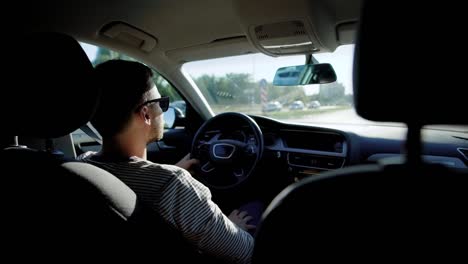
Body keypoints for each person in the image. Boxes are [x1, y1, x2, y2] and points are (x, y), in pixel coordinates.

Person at [78, 60, 255, 263]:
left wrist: (169, 172)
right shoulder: (174, 185)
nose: (162, 112)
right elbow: (244, 252)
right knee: (255, 209)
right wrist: (234, 227)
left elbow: (134, 182)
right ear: (146, 114)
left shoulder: (82, 165)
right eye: (161, 104)